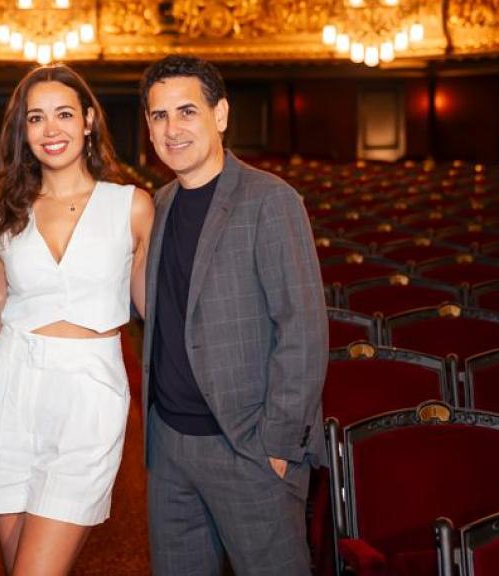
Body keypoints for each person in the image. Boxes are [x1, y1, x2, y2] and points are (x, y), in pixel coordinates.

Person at [0, 64, 154, 575]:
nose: (51, 130)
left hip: (90, 391)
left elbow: (159, 312)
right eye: (36, 118)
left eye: (64, 114)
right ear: (23, 131)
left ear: (89, 120)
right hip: (9, 385)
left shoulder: (131, 206)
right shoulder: (2, 206)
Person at [140, 55, 328, 576]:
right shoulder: (156, 205)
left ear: (220, 114)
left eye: (186, 112)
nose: (172, 129)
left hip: (247, 446)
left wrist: (278, 444)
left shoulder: (271, 200)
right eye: (158, 116)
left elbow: (304, 330)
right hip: (170, 446)